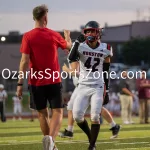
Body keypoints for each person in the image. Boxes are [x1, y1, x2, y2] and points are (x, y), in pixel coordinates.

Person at [16, 4, 72, 150]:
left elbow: (24, 61)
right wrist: (67, 36)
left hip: (35, 82)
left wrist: (19, 84)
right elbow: (69, 47)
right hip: (53, 79)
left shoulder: (28, 36)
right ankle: (51, 141)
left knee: (42, 114)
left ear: (34, 17)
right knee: (58, 111)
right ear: (45, 17)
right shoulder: (53, 34)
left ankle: (50, 145)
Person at [67, 21, 114, 150]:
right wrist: (76, 42)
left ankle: (92, 146)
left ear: (98, 32)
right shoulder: (81, 46)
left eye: (92, 31)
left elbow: (106, 70)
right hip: (82, 86)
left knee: (94, 116)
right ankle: (90, 137)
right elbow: (71, 58)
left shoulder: (106, 48)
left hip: (98, 86)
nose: (90, 34)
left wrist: (107, 89)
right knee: (77, 116)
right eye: (88, 31)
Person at [59, 63, 120, 140]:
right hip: (81, 85)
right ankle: (70, 130)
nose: (65, 51)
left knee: (97, 109)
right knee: (71, 106)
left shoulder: (78, 56)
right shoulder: (74, 56)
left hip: (85, 85)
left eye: (67, 50)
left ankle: (113, 126)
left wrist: (67, 70)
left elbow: (80, 74)